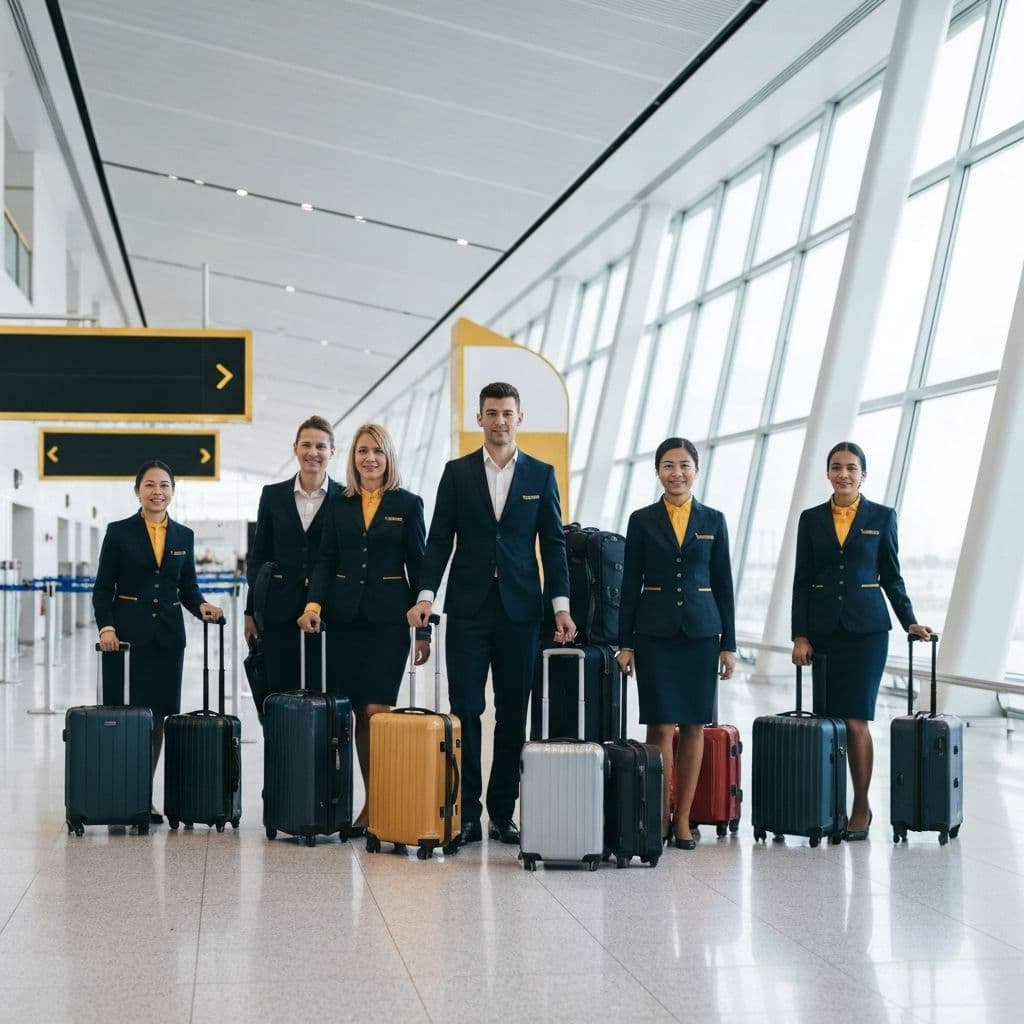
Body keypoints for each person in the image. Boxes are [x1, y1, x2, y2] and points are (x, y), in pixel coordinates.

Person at [408, 382, 575, 846]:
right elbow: (439, 539)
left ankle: (502, 812)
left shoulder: (541, 475)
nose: (499, 420)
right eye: (491, 413)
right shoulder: (457, 473)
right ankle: (464, 813)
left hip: (522, 611)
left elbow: (554, 543)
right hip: (467, 610)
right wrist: (426, 596)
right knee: (466, 711)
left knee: (511, 714)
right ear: (478, 419)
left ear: (519, 418)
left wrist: (560, 605)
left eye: (507, 413)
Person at [791, 441, 933, 841]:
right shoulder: (811, 519)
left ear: (863, 475)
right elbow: (802, 580)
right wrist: (799, 635)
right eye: (836, 467)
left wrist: (910, 621)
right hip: (822, 633)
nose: (843, 475)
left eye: (851, 468)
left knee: (855, 721)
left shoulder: (881, 517)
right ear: (828, 473)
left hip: (867, 633)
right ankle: (825, 804)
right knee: (826, 723)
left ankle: (860, 805)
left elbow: (892, 575)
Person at [297, 424, 429, 835]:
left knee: (378, 712)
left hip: (389, 622)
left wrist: (422, 630)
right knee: (356, 714)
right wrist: (313, 604)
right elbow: (326, 559)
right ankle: (371, 803)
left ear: (389, 457)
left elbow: (420, 564)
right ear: (352, 458)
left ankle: (383, 805)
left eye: (377, 452)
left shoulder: (408, 504)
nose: (369, 459)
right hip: (345, 621)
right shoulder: (339, 503)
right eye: (362, 452)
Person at [615, 438, 736, 850]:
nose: (676, 473)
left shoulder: (714, 520)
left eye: (684, 465)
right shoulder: (642, 519)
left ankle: (683, 818)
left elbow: (723, 585)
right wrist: (625, 643)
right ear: (657, 471)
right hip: (654, 633)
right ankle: (658, 813)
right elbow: (629, 585)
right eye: (668, 466)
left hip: (702, 634)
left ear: (696, 471)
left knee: (693, 725)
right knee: (660, 725)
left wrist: (729, 645)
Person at [93, 461, 223, 825]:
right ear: (138, 491)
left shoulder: (183, 535)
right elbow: (103, 588)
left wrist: (203, 607)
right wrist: (106, 627)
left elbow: (188, 587)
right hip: (126, 641)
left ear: (172, 491)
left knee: (159, 719)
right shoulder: (119, 532)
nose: (157, 491)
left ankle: (144, 796)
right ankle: (121, 794)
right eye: (150, 485)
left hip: (168, 638)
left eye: (164, 485)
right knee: (125, 716)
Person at [244, 416, 341, 700]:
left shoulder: (345, 497)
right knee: (281, 693)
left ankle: (323, 747)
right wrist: (252, 610)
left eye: (321, 446)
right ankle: (283, 745)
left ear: (332, 452)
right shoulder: (273, 495)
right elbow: (259, 556)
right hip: (279, 611)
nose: (313, 452)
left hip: (329, 611)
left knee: (325, 692)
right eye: (306, 445)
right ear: (295, 448)